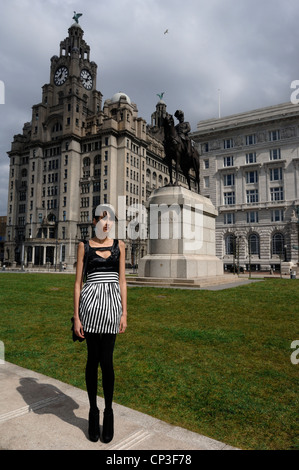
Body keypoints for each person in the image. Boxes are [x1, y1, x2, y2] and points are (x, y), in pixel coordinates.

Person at [73, 205, 127, 443]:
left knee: (107, 362)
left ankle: (109, 412)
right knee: (92, 360)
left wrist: (125, 312)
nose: (107, 223)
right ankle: (93, 411)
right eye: (102, 219)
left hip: (112, 308)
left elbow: (123, 280)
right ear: (94, 220)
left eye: (111, 220)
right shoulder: (83, 246)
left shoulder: (120, 246)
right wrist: (76, 316)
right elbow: (77, 283)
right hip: (90, 308)